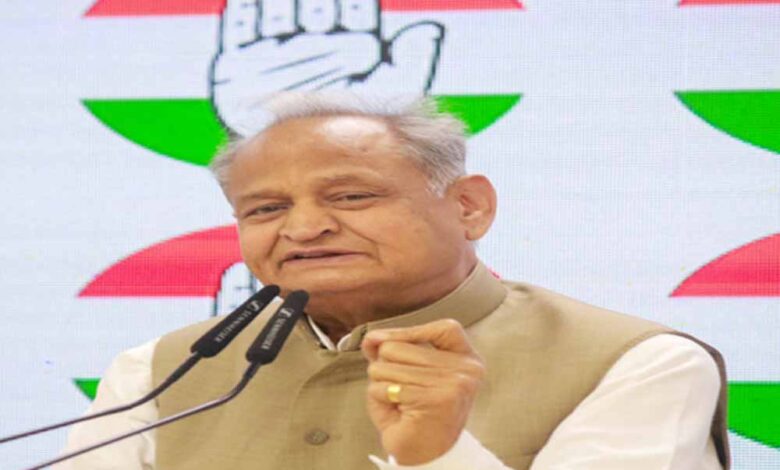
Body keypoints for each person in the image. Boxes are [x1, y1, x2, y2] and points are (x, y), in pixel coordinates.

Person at [59, 93, 729, 469]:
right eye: (265, 209)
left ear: (469, 206)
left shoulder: (637, 363)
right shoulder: (160, 370)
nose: (304, 228)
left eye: (351, 197)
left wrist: (442, 454)